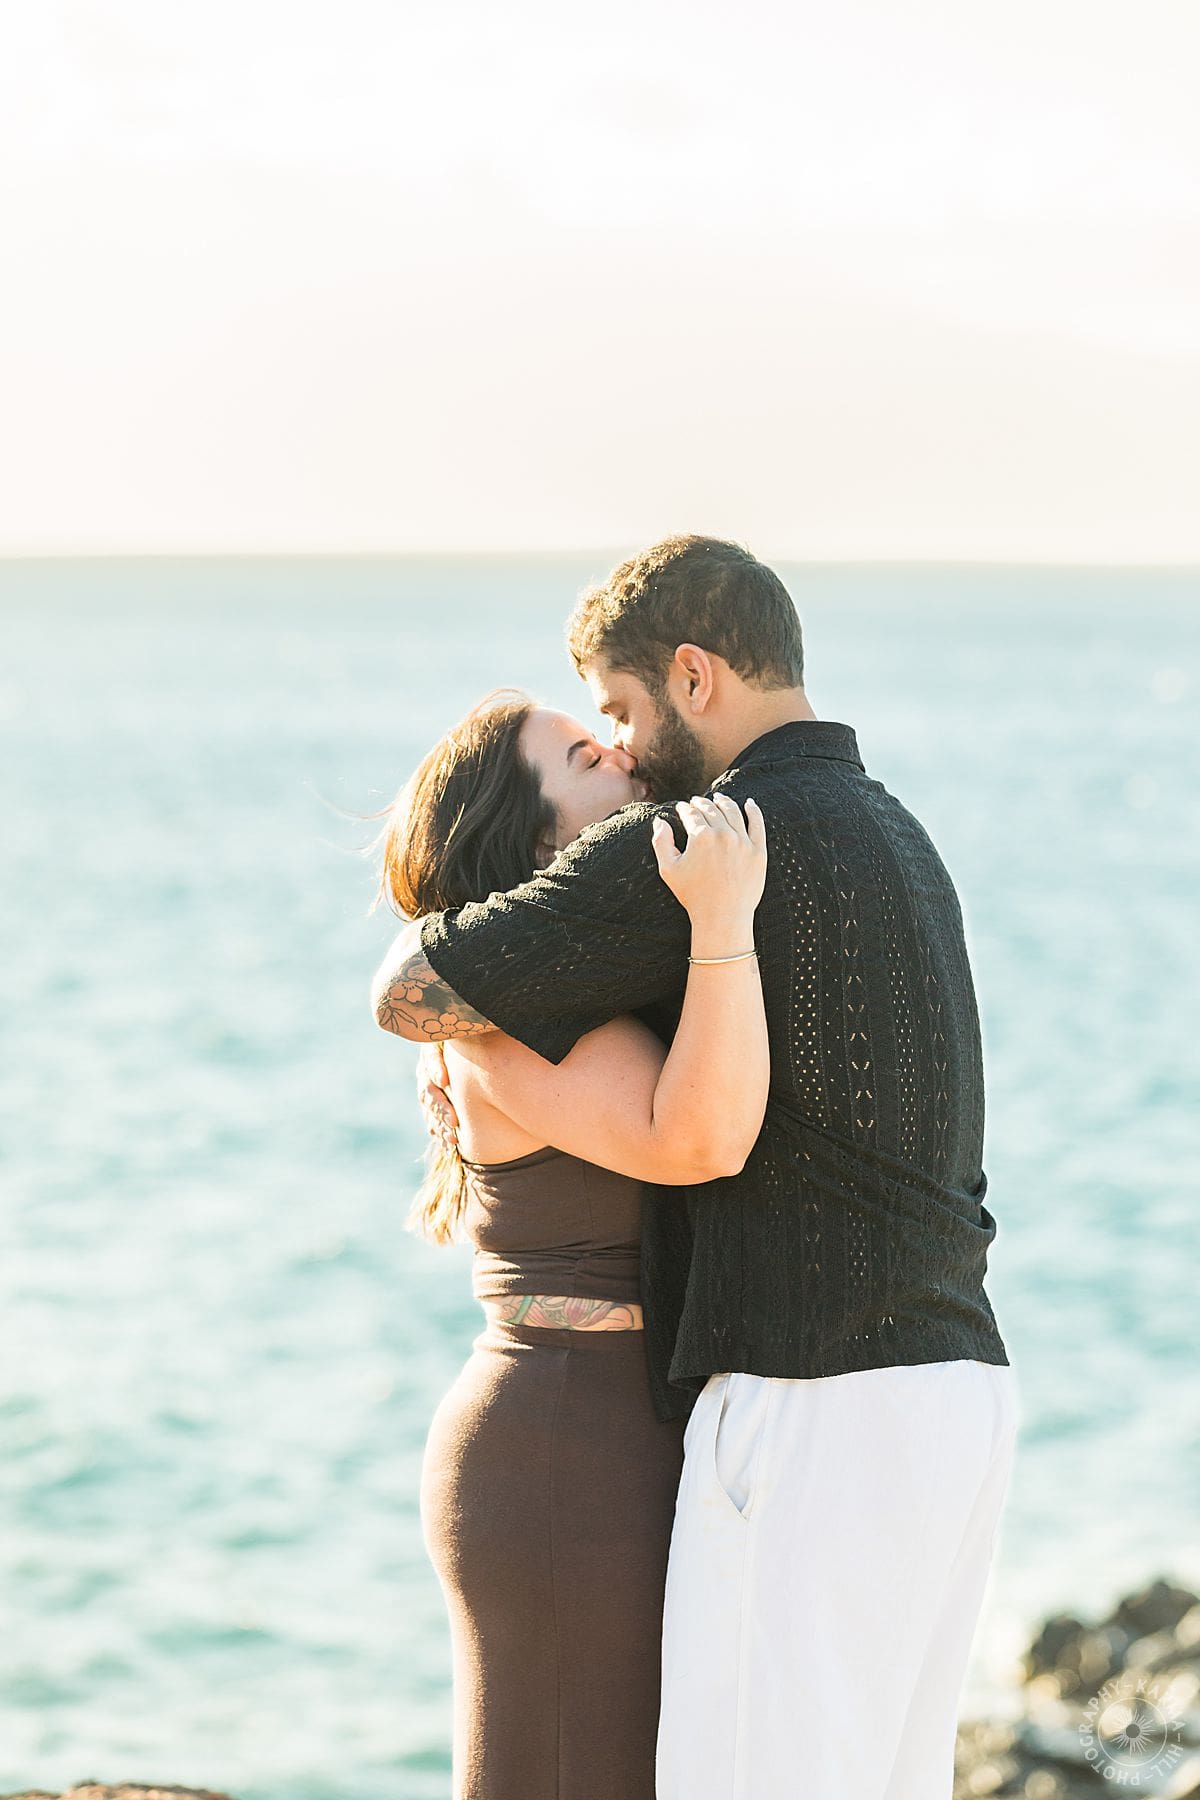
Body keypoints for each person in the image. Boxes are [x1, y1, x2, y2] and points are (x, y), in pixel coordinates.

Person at [372, 535, 1020, 1799]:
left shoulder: (711, 851)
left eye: (616, 712)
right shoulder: (891, 829)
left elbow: (417, 992)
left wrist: (714, 923)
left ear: (693, 677)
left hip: (802, 1400)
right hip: (934, 1391)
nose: (622, 748)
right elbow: (427, 989)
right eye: (587, 743)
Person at [369, 686, 769, 1800]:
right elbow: (694, 1143)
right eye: (588, 756)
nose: (628, 760)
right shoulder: (503, 1019)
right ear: (538, 835)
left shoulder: (562, 991)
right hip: (561, 1447)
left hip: (611, 1430)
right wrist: (727, 920)